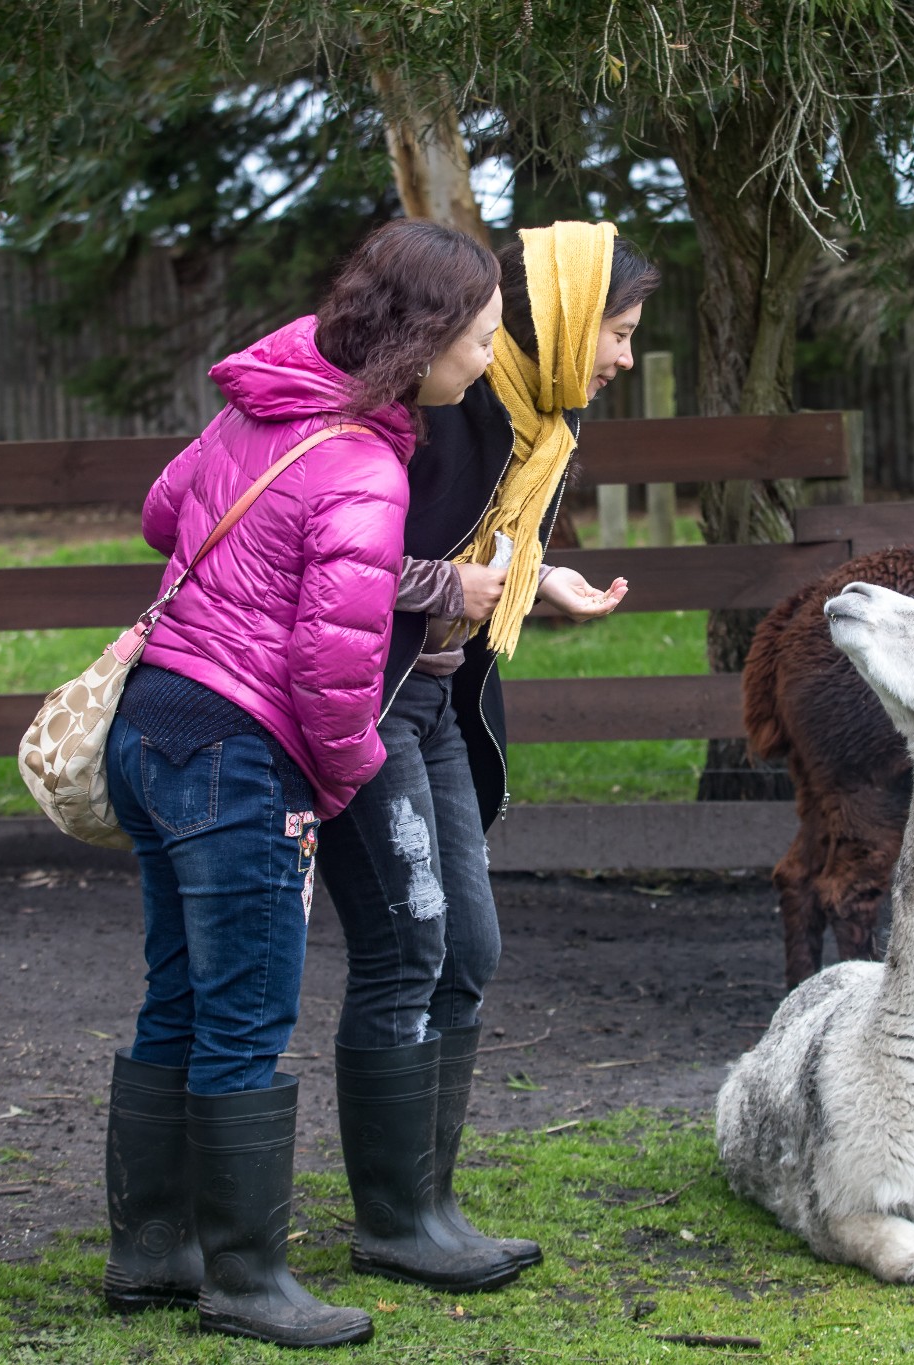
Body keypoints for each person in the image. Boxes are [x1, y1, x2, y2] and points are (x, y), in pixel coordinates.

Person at [98, 219, 502, 1350]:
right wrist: (344, 780)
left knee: (177, 993)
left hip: (153, 724)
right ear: (422, 339)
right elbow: (331, 678)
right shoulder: (364, 463)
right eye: (476, 339)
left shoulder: (262, 402)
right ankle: (244, 1281)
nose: (484, 361)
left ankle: (151, 1252)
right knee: (246, 1011)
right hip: (240, 752)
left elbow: (160, 513)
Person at [317, 221, 659, 1292]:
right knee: (408, 950)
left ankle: (427, 1204)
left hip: (439, 703)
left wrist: (532, 577)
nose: (622, 359)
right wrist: (452, 590)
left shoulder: (536, 419)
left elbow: (479, 546)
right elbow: (342, 555)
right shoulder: (443, 398)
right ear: (563, 318)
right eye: (617, 331)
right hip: (365, 709)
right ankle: (395, 1221)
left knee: (467, 951)